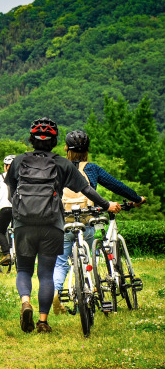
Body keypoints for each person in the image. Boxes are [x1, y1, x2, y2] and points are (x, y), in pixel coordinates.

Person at [5, 117, 121, 334]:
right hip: (52, 224)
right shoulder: (62, 163)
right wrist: (106, 205)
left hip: (23, 223)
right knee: (46, 273)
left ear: (31, 140)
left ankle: (26, 302)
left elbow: (11, 192)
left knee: (24, 269)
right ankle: (42, 321)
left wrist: (23, 211)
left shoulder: (18, 161)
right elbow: (86, 189)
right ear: (55, 142)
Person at [52, 130, 146, 314]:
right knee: (90, 257)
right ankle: (91, 289)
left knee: (60, 263)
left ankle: (56, 291)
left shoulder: (59, 168)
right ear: (87, 150)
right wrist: (136, 198)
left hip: (64, 223)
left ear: (66, 149)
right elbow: (116, 185)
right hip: (86, 222)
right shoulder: (92, 169)